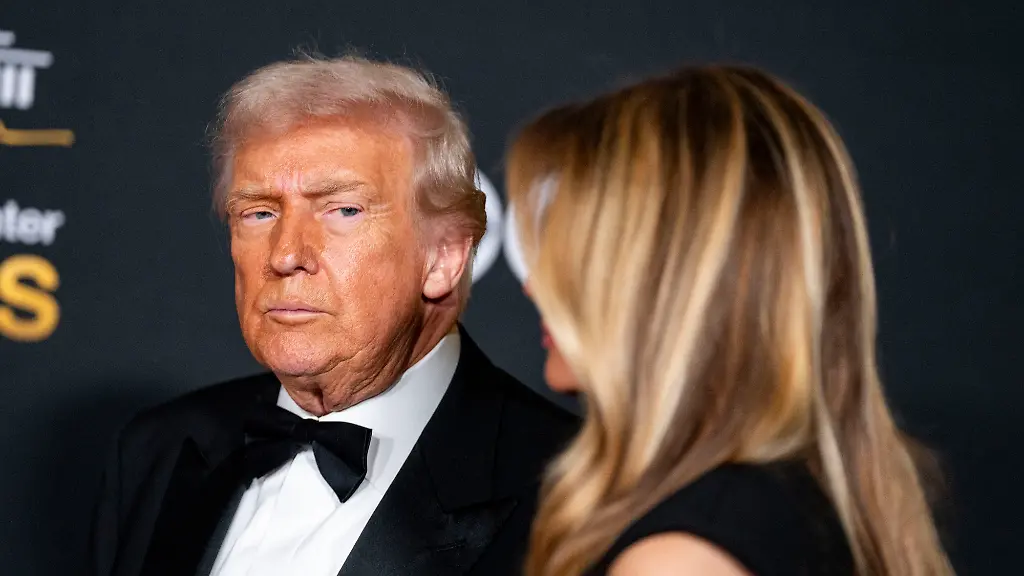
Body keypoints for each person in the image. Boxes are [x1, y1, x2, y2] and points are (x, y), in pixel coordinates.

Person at [88, 55, 577, 576]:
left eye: (343, 210)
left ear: (444, 258)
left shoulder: (572, 491)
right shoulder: (157, 452)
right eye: (259, 212)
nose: (284, 254)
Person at [507, 66, 954, 576]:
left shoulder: (684, 558)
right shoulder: (798, 501)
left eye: (574, 254)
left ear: (664, 278)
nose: (535, 284)